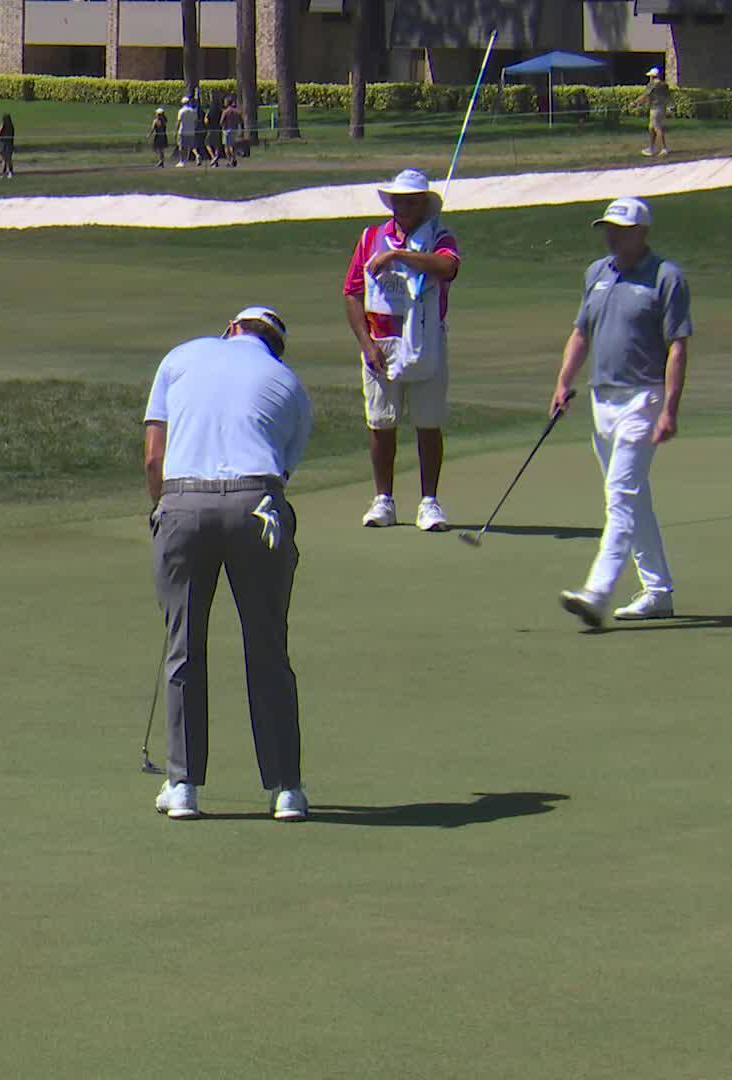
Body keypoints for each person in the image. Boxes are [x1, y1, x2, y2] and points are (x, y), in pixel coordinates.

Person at [144, 306, 313, 822]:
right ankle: (286, 789)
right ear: (273, 345)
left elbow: (155, 456)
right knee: (267, 647)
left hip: (183, 503)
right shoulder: (289, 383)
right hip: (257, 505)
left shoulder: (180, 356)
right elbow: (279, 470)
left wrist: (160, 514)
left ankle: (184, 786)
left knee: (183, 646)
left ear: (232, 329)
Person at [554, 198, 692, 627]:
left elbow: (678, 347)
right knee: (634, 499)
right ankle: (658, 590)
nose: (612, 235)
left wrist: (669, 408)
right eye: (608, 228)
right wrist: (563, 381)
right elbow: (581, 333)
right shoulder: (597, 273)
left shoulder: (666, 277)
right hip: (603, 399)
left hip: (644, 398)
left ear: (642, 232)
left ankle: (596, 591)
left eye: (621, 229)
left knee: (620, 498)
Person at [343, 167, 462, 532]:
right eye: (400, 200)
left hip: (426, 340)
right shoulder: (371, 237)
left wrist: (400, 258)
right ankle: (384, 500)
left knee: (428, 423)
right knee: (381, 423)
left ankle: (429, 502)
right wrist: (366, 344)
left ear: (424, 203)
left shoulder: (439, 236)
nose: (405, 206)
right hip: (380, 342)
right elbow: (353, 291)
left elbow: (448, 267)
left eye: (412, 200)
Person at [637, 67, 671, 158]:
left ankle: (664, 148)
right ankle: (651, 148)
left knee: (657, 128)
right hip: (662, 108)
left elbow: (645, 95)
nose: (650, 78)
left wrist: (635, 103)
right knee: (652, 128)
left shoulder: (652, 85)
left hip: (655, 108)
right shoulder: (664, 85)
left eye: (650, 76)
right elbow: (668, 96)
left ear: (653, 76)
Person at [175, 96, 198, 167]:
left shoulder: (181, 111)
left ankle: (182, 161)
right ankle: (197, 155)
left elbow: (178, 122)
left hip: (182, 131)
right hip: (191, 131)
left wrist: (176, 130)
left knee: (181, 146)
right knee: (191, 146)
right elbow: (196, 121)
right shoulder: (193, 110)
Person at [219, 96, 243, 167]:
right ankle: (234, 158)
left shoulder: (225, 112)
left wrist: (223, 125)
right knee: (233, 145)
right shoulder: (237, 111)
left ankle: (229, 160)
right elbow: (240, 120)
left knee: (227, 146)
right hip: (235, 129)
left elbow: (221, 122)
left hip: (227, 130)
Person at [0, 113, 16, 179]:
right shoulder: (11, 126)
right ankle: (5, 172)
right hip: (5, 143)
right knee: (6, 159)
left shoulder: (6, 127)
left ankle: (9, 172)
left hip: (6, 143)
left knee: (7, 159)